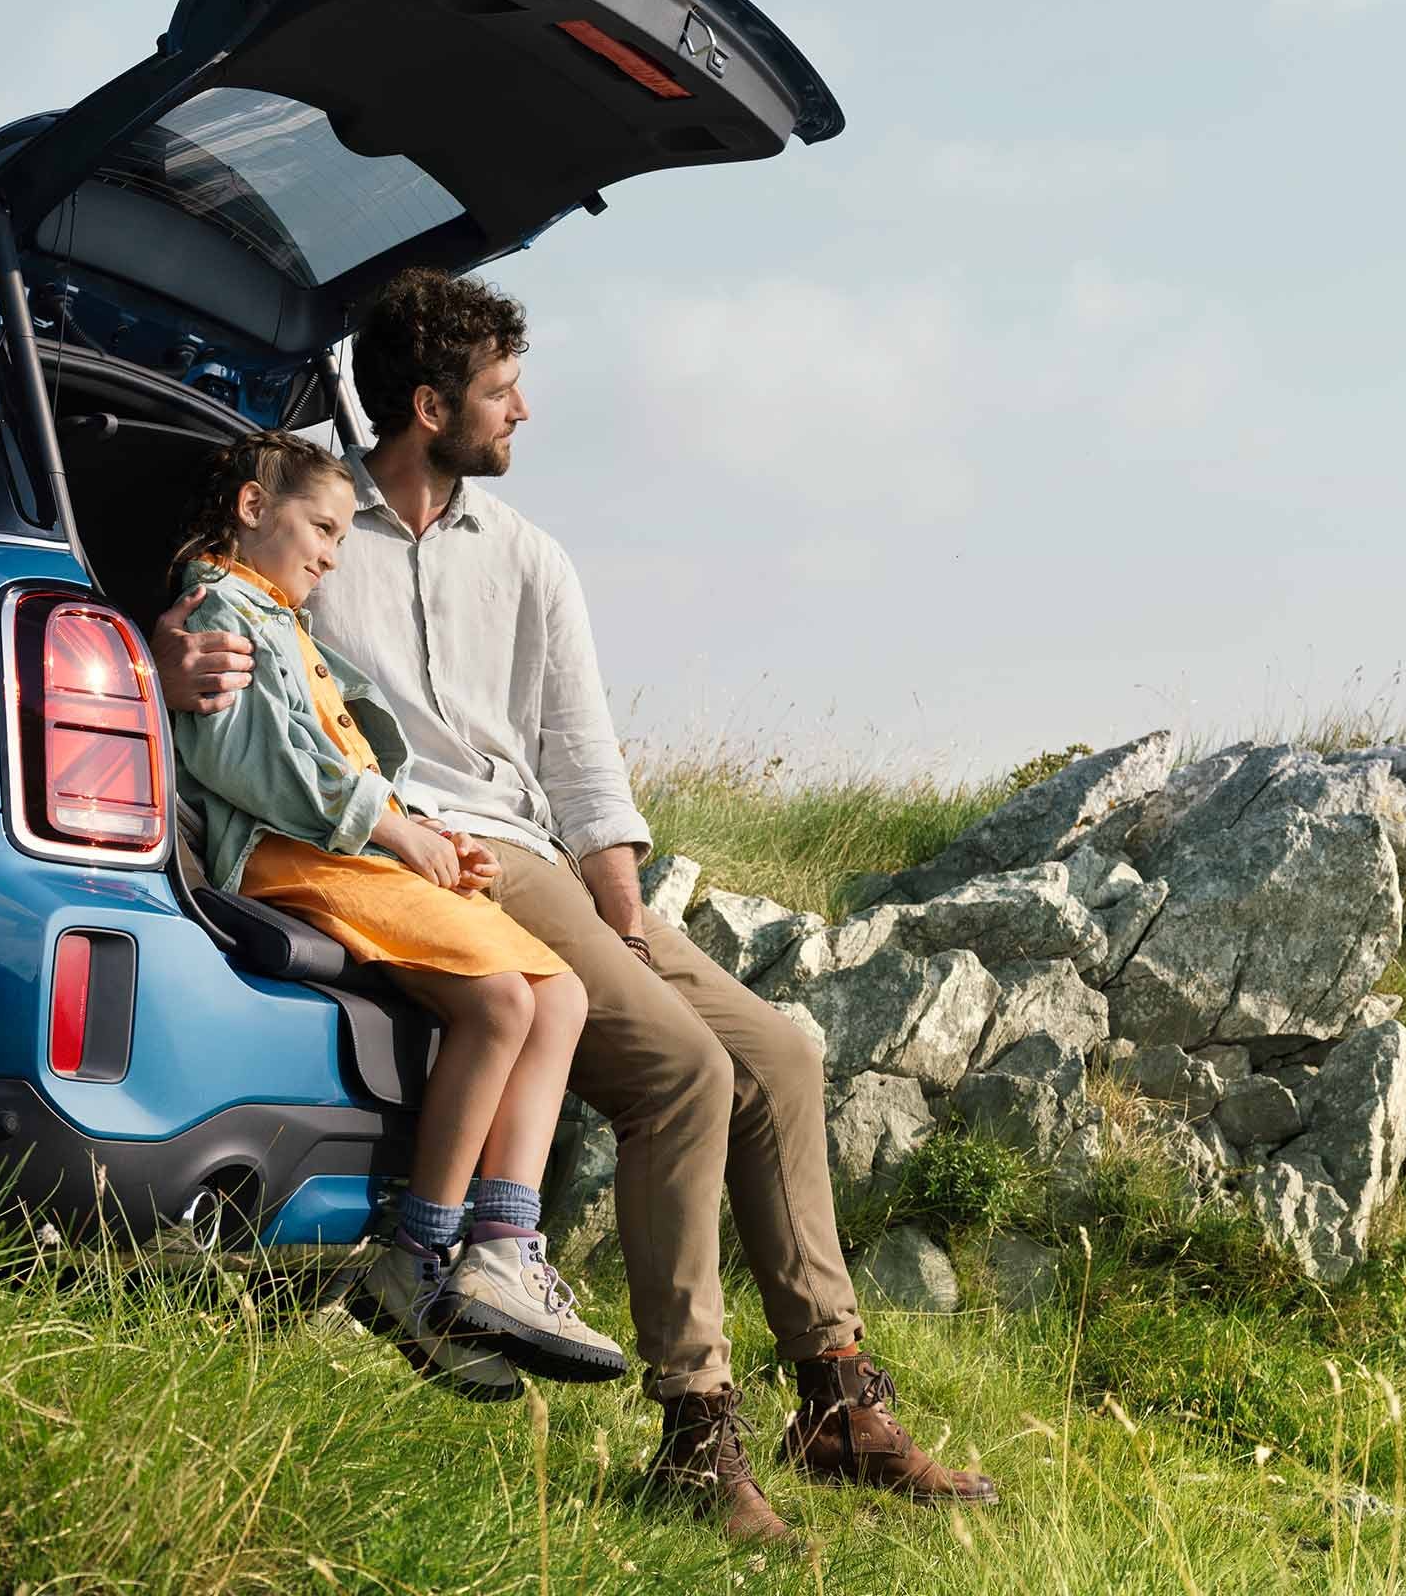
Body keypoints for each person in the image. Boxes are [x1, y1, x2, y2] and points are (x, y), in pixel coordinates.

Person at [155, 271, 995, 1543]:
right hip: (436, 856)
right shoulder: (318, 529)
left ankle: (833, 1399)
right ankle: (695, 1434)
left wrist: (634, 920)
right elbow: (225, 615)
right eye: (501, 393)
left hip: (553, 863)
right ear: (430, 406)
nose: (524, 413)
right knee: (678, 1073)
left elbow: (579, 750)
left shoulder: (532, 557)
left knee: (781, 1052)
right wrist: (174, 648)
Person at [161, 429, 627, 1401]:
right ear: (253, 509)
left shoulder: (285, 621)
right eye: (321, 526)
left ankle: (500, 1243)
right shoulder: (219, 611)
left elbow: (362, 755)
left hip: (355, 850)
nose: (335, 551)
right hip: (298, 862)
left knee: (561, 996)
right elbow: (258, 768)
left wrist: (422, 826)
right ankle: (418, 1256)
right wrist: (393, 831)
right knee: (504, 1003)